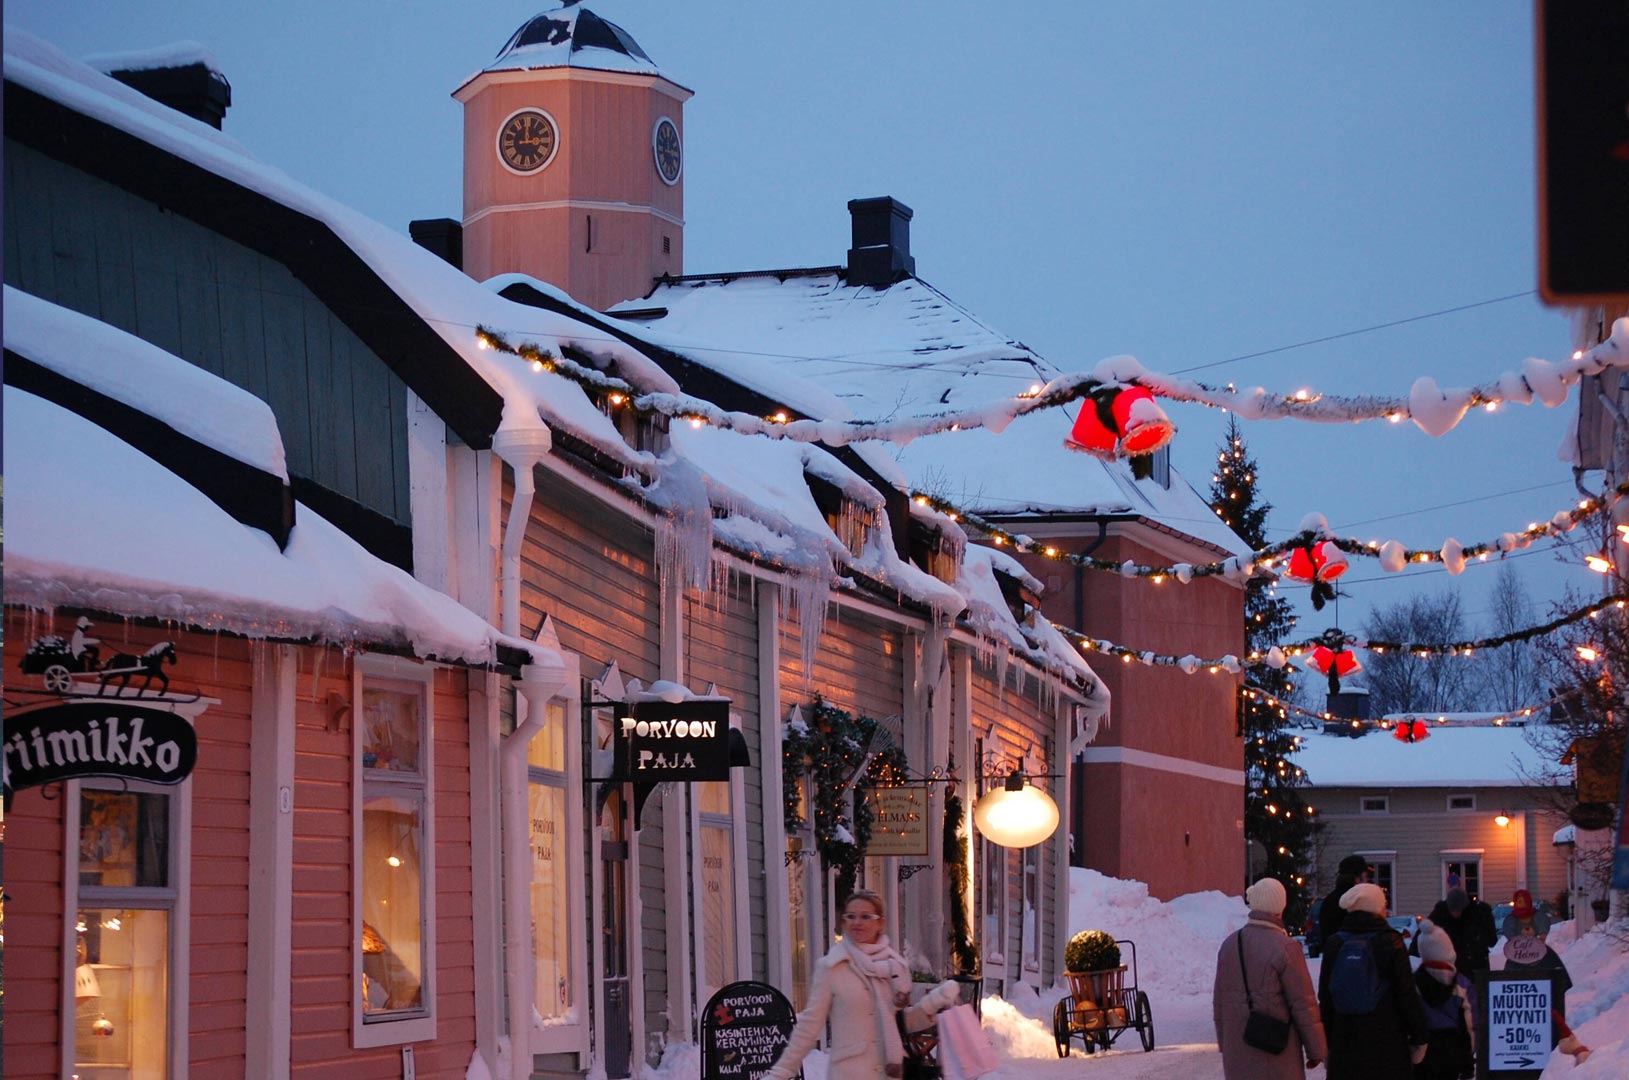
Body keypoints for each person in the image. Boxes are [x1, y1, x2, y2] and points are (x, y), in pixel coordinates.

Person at [764, 890, 962, 1080]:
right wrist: (780, 1072)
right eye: (850, 916)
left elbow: (900, 1024)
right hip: (850, 1073)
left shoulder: (894, 968)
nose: (856, 923)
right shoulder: (832, 968)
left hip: (890, 1073)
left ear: (880, 923)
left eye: (865, 917)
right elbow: (809, 1025)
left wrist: (933, 1003)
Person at [1213, 877, 1327, 1079]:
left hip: (1238, 1051)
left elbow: (1220, 1001)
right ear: (1279, 906)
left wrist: (1225, 1042)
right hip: (1276, 1051)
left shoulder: (1229, 944)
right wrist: (1316, 1050)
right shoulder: (1286, 947)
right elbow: (1303, 1004)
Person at [1317, 882, 1428, 1080]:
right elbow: (1406, 994)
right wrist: (1419, 1036)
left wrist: (1327, 1041)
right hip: (1387, 1042)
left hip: (1345, 1041)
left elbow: (1326, 997)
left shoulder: (1335, 943)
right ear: (1376, 908)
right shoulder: (1391, 942)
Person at [1411, 919, 1475, 1080]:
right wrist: (1469, 1056)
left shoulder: (1413, 983)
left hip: (1423, 1047)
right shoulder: (1462, 984)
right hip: (1453, 1047)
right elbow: (1470, 1024)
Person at [1424, 887, 1496, 979]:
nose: (1456, 914)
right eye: (1452, 910)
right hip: (1452, 966)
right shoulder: (1441, 913)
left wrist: (1477, 939)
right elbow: (1425, 931)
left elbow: (1492, 940)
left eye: (1458, 910)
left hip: (1476, 965)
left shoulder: (1480, 912)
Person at [1314, 854, 1369, 953]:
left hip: (1334, 959)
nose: (1367, 882)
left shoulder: (1329, 900)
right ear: (1357, 878)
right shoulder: (1357, 902)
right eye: (1365, 877)